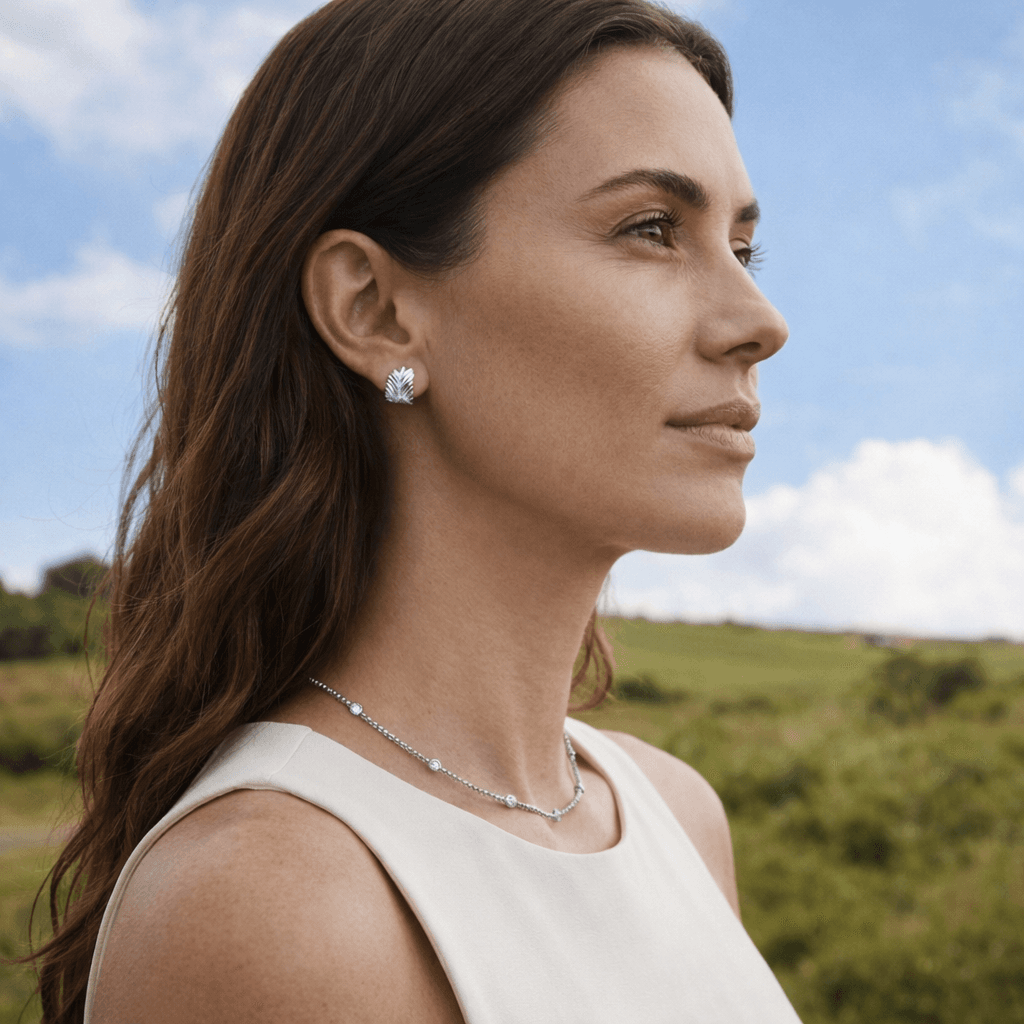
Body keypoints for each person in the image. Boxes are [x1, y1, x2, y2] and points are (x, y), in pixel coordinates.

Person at [19, 0, 798, 1020]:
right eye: (650, 229)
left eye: (742, 247)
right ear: (375, 310)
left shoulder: (676, 815)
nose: (759, 322)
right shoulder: (272, 908)